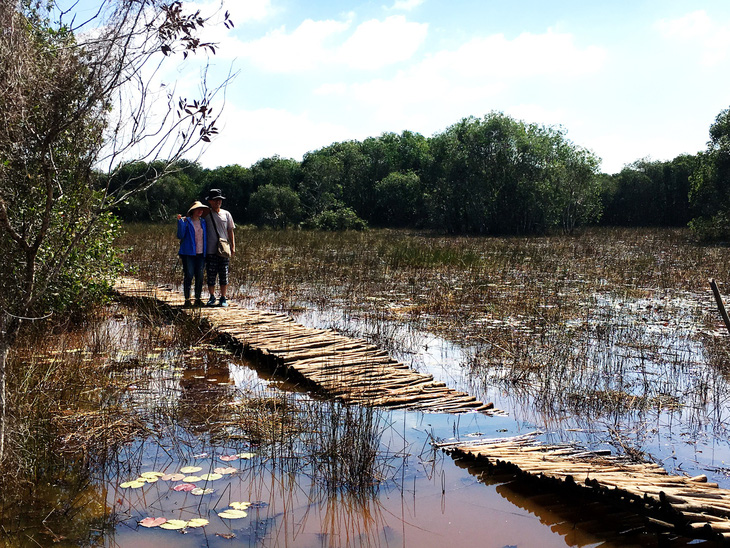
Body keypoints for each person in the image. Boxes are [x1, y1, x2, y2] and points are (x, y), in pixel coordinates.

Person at [205, 188, 236, 307]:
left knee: (224, 274)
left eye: (219, 200)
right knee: (211, 274)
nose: (218, 202)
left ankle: (223, 298)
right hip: (210, 250)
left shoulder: (226, 214)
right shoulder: (206, 214)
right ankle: (212, 297)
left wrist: (233, 247)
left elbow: (230, 231)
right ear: (210, 201)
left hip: (223, 250)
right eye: (216, 200)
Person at [177, 201, 209, 307]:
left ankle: (198, 298)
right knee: (189, 275)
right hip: (188, 253)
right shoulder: (186, 221)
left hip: (201, 253)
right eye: (198, 209)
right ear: (193, 211)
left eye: (201, 209)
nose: (200, 211)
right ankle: (187, 299)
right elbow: (180, 235)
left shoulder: (203, 222)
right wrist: (180, 222)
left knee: (199, 275)